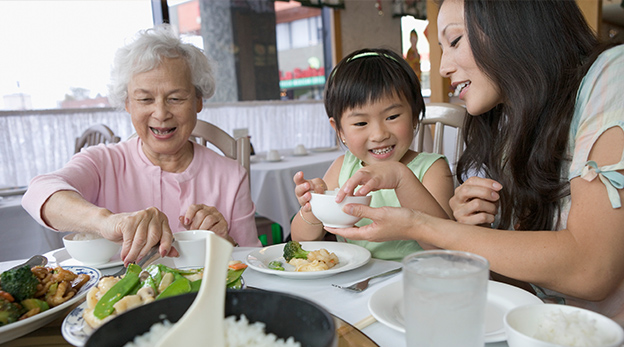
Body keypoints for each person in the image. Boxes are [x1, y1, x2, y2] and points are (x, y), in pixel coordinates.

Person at [329, 0, 624, 325]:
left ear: (515, 22)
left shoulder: (613, 73)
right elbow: (531, 289)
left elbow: (591, 270)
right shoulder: (512, 122)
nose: (443, 67)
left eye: (455, 41)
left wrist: (424, 225)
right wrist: (479, 231)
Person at [22, 24, 261, 265]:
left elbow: (252, 262)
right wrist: (107, 221)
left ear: (198, 101)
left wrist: (226, 242)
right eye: (145, 99)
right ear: (127, 104)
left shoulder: (231, 175)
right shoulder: (104, 163)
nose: (161, 113)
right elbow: (38, 192)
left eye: (175, 98)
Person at [290, 48, 455, 261]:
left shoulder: (432, 169)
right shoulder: (343, 168)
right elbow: (303, 242)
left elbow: (444, 247)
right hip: (354, 282)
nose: (379, 134)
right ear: (339, 130)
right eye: (360, 123)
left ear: (414, 117)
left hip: (414, 281)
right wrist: (312, 207)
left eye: (392, 116)